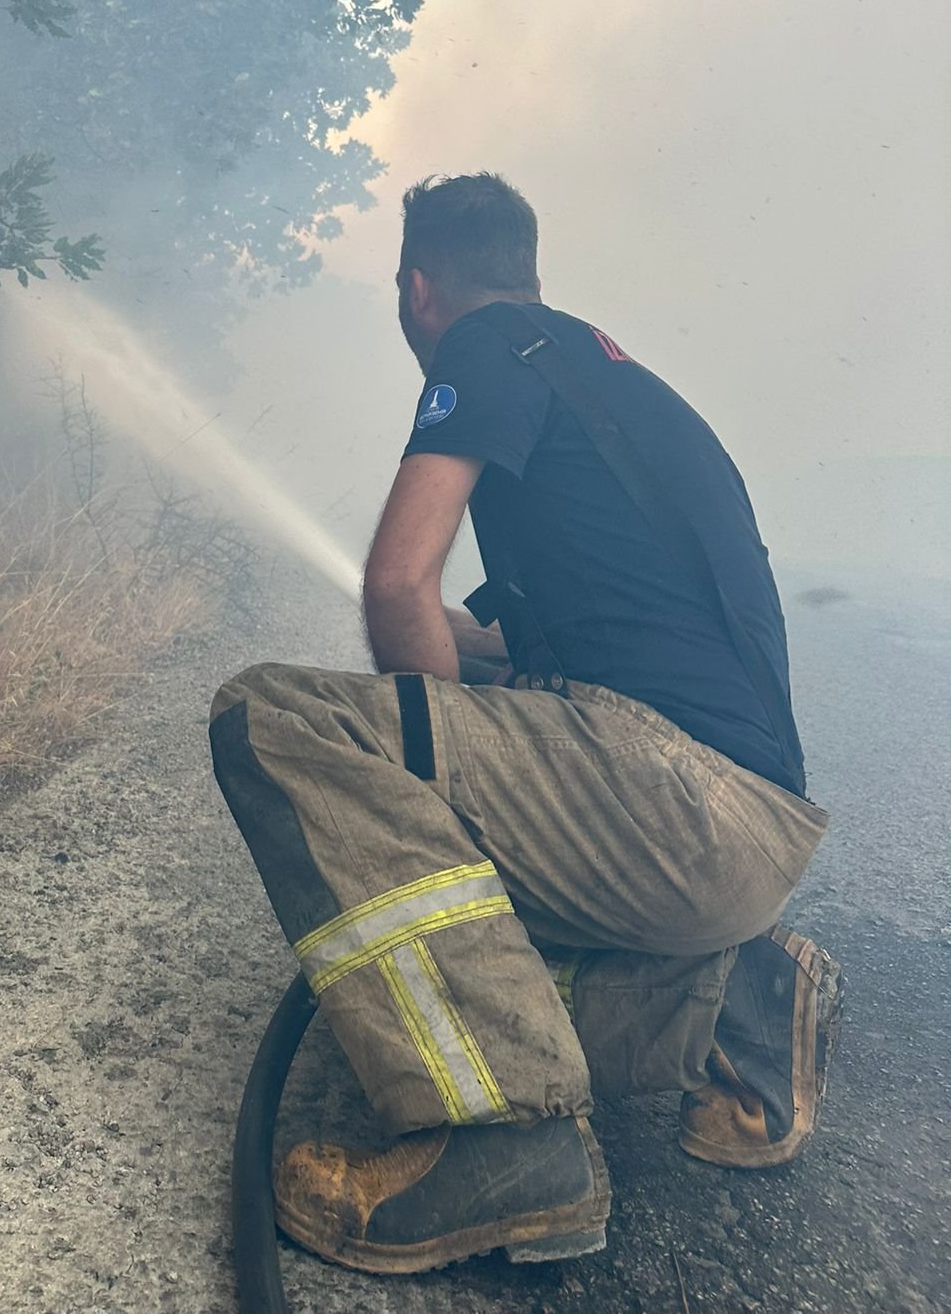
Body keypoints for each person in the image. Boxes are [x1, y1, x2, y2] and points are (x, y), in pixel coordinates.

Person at [210, 172, 840, 1275]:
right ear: (528, 267)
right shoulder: (607, 376)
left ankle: (504, 1144)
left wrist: (414, 769)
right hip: (746, 825)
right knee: (447, 966)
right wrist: (458, 676)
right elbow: (516, 640)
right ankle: (729, 1005)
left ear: (418, 289)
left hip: (669, 797)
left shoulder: (484, 342)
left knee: (275, 716)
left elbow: (398, 583)